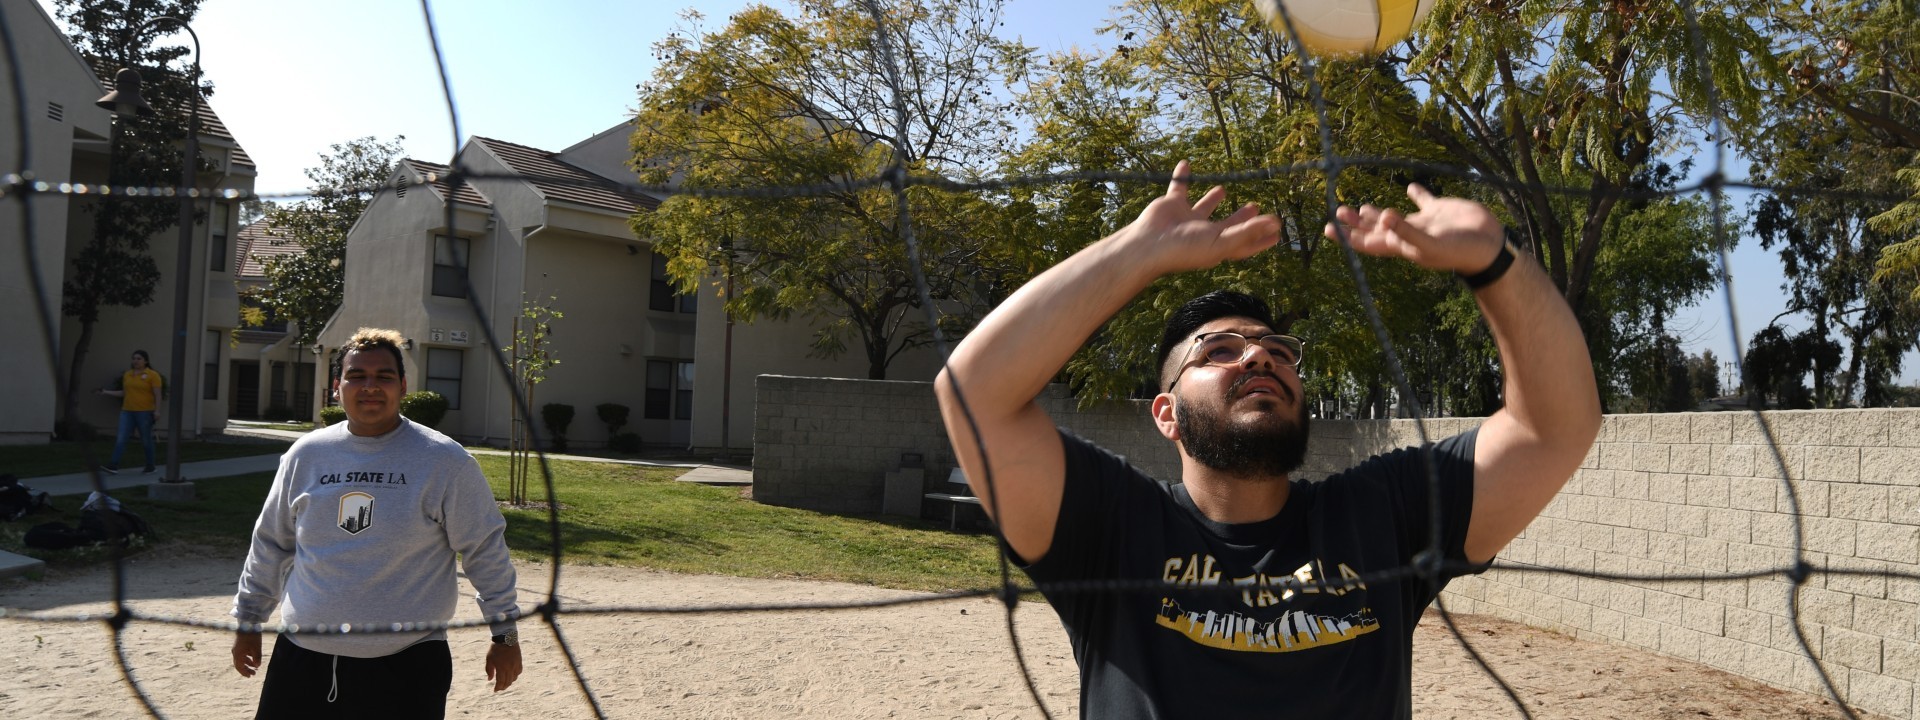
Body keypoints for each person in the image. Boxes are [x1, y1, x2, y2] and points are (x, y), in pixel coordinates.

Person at [934, 162, 1600, 718]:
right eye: (1219, 350)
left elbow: (1554, 429)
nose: (1259, 358)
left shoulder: (1380, 515)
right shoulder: (1111, 525)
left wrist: (1496, 264)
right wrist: (1138, 252)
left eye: (1277, 350)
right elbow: (973, 394)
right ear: (1165, 414)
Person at [230, 327, 522, 719]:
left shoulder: (444, 461)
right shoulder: (306, 455)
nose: (370, 386)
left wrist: (504, 635)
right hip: (302, 658)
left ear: (403, 386)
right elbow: (272, 543)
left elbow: (485, 550)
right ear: (337, 387)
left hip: (406, 663)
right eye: (357, 376)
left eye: (383, 376)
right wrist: (248, 620)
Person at [95, 349, 164, 474]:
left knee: (146, 439)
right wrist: (105, 392)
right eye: (134, 358)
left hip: (144, 412)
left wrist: (157, 411)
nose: (135, 361)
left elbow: (157, 394)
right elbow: (124, 393)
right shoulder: (128, 375)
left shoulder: (152, 375)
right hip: (127, 411)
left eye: (139, 359)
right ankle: (113, 465)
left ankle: (150, 465)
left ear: (146, 361)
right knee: (121, 438)